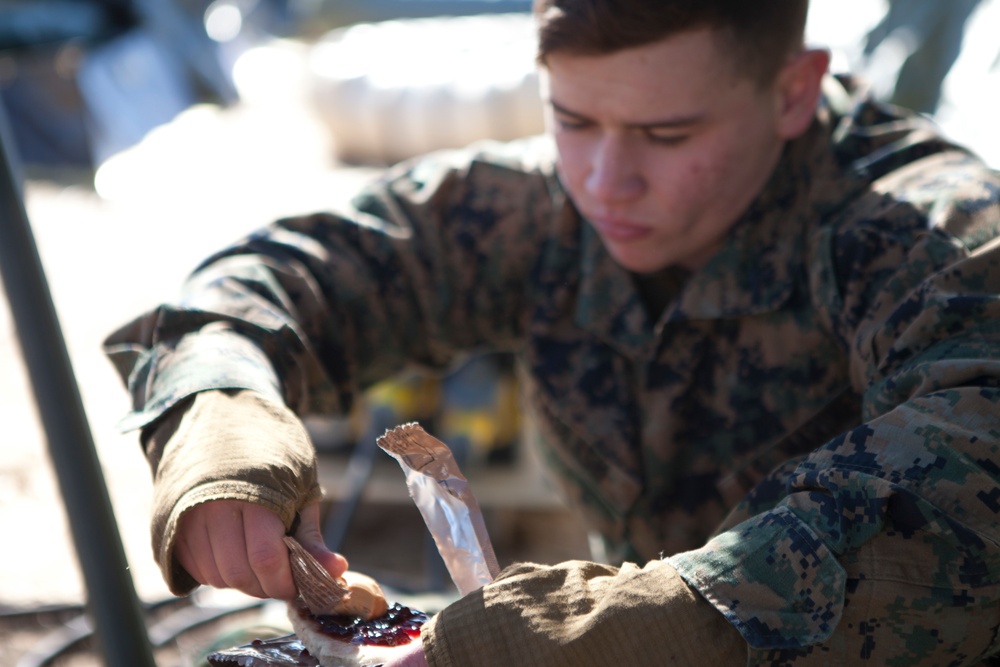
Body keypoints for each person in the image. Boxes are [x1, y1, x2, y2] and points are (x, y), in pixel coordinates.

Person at [104, 0, 1000, 664]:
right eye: (571, 119)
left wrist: (579, 633)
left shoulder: (932, 234)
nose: (608, 180)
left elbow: (964, 495)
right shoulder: (544, 207)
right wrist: (220, 414)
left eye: (667, 133)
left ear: (793, 91)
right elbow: (270, 280)